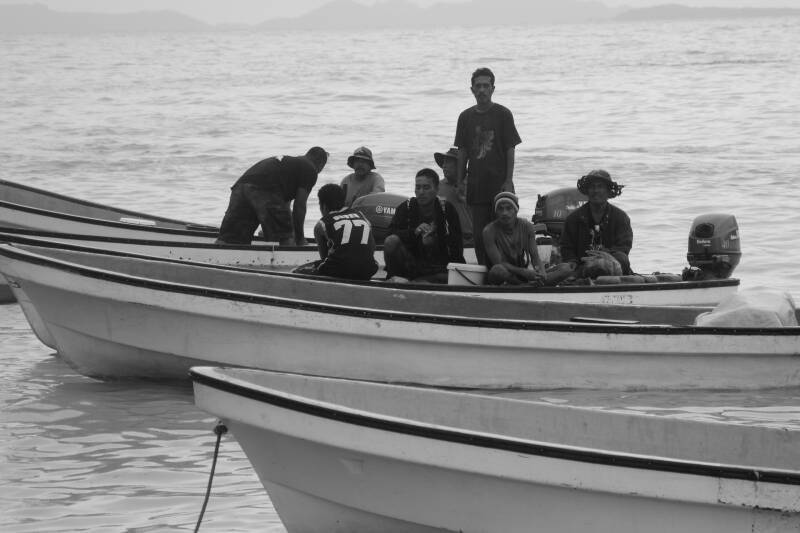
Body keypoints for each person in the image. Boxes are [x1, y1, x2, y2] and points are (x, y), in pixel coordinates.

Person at [454, 67, 522, 265]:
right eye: (478, 86)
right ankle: (486, 272)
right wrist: (460, 182)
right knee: (479, 236)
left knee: (505, 231)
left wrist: (509, 180)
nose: (482, 90)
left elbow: (510, 149)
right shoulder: (465, 117)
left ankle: (510, 271)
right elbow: (462, 151)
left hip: (500, 185)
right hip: (476, 186)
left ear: (493, 88)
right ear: (472, 89)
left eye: (486, 86)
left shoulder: (503, 114)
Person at [217, 147, 328, 246]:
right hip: (266, 189)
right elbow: (300, 206)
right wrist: (299, 240)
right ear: (320, 163)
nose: (318, 172)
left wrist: (271, 227)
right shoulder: (310, 168)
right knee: (286, 239)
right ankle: (290, 258)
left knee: (230, 239)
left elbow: (286, 206)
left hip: (241, 187)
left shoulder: (291, 165)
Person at [383, 168, 465, 282]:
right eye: (418, 187)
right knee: (391, 241)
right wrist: (414, 233)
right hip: (412, 264)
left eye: (426, 187)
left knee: (443, 277)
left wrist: (434, 241)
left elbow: (457, 248)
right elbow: (389, 234)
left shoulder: (447, 210)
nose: (421, 192)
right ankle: (396, 279)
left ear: (436, 189)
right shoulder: (406, 207)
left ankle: (413, 282)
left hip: (439, 267)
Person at [556, 169, 633, 280]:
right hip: (582, 267)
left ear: (608, 191)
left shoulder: (621, 217)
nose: (596, 190)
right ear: (587, 190)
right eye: (592, 187)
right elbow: (566, 248)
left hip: (613, 265)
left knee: (622, 258)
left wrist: (605, 256)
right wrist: (572, 262)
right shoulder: (573, 219)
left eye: (600, 186)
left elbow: (624, 247)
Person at [302, 183, 379, 280]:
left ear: (324, 206)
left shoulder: (321, 224)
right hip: (369, 269)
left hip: (339, 270)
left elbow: (324, 258)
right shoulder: (361, 216)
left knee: (296, 272)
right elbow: (371, 247)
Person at [483, 192, 546, 285]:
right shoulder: (489, 231)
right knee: (498, 270)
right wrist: (524, 272)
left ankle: (534, 283)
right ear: (496, 212)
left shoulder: (527, 226)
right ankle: (523, 285)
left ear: (516, 210)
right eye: (500, 209)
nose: (504, 213)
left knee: (564, 269)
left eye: (508, 208)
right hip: (503, 275)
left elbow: (535, 256)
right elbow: (499, 262)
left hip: (522, 275)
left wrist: (541, 272)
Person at [434, 146, 473, 246]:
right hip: (447, 238)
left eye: (448, 162)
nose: (444, 166)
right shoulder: (438, 187)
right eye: (444, 163)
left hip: (471, 240)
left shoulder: (474, 185)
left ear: (460, 166)